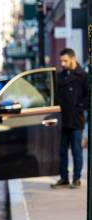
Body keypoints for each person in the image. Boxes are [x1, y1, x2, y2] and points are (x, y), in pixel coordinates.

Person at [52, 48, 88, 189]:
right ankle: (64, 178)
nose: (62, 63)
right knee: (62, 151)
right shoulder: (60, 76)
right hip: (62, 119)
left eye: (65, 60)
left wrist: (79, 106)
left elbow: (88, 95)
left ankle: (77, 179)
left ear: (73, 59)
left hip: (76, 120)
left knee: (76, 151)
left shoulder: (83, 76)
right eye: (61, 60)